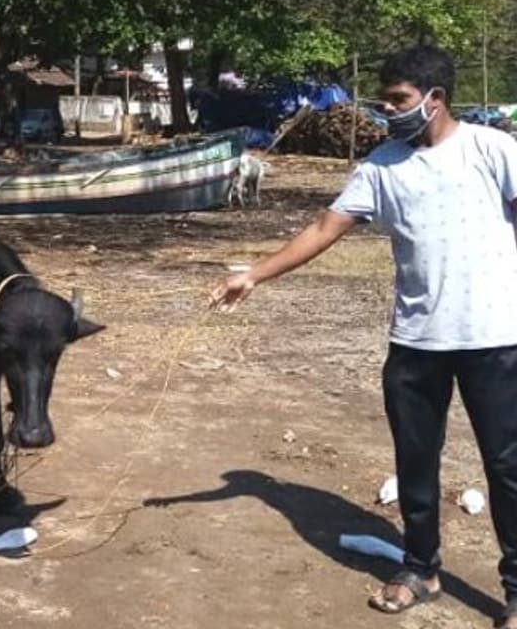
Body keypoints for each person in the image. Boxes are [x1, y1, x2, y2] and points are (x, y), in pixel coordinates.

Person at [210, 45, 517, 626]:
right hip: (415, 341)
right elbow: (327, 226)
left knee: (506, 465)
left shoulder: (494, 149)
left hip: (495, 339)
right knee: (415, 461)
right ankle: (421, 568)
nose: (389, 110)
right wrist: (252, 274)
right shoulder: (380, 165)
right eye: (386, 99)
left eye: (399, 100)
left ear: (435, 99)